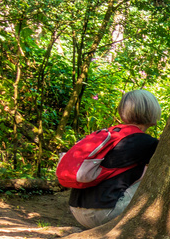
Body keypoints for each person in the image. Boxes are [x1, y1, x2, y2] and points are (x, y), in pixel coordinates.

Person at [67, 90, 161, 229]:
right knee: (158, 175)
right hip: (105, 215)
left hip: (76, 210)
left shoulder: (110, 134)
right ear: (152, 111)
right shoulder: (147, 143)